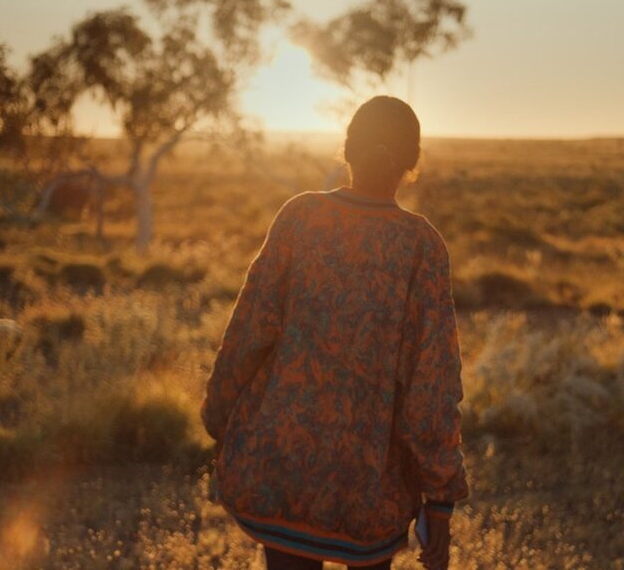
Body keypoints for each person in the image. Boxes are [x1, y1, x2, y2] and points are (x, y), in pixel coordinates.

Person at [201, 96, 469, 570]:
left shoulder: (300, 218)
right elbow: (432, 385)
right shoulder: (421, 246)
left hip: (283, 471)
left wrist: (220, 419)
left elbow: (248, 333)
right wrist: (440, 498)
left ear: (347, 150)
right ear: (412, 163)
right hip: (369, 489)